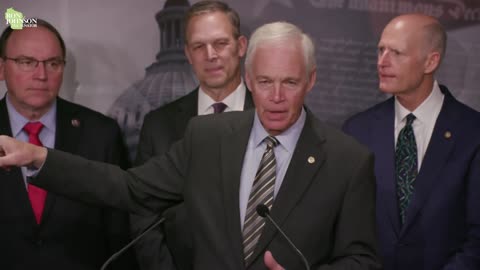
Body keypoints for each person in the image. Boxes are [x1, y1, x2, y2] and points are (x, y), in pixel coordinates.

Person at [0, 21, 380, 269]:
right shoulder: (207, 136)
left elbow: (362, 259)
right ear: (248, 79)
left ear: (311, 81)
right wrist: (39, 158)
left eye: (290, 82)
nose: (277, 96)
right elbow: (130, 189)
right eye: (265, 82)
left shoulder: (348, 161)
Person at [343, 13, 480, 270]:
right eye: (381, 50)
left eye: (396, 52)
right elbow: (346, 231)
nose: (382, 62)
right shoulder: (357, 130)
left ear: (431, 61)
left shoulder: (473, 133)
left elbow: (477, 242)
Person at [0, 20, 138, 270]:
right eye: (27, 62)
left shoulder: (101, 133)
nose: (41, 75)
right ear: (1, 68)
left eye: (53, 63)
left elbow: (120, 233)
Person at [132, 2, 253, 269]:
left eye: (220, 43)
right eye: (199, 46)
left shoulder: (271, 116)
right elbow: (143, 216)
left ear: (241, 46)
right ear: (188, 53)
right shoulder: (158, 125)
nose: (210, 55)